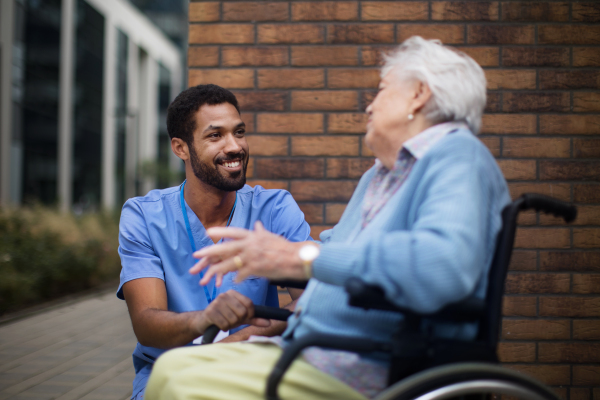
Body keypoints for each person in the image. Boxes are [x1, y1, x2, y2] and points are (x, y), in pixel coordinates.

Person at [145, 36, 511, 400]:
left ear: (418, 95)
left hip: (368, 365)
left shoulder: (458, 156)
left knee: (180, 383)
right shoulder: (380, 175)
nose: (369, 106)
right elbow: (335, 252)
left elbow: (442, 268)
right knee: (170, 368)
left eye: (381, 91)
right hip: (310, 349)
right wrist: (272, 265)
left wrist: (301, 257)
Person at [117, 84, 310, 399]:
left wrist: (242, 340)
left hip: (257, 364)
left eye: (239, 132)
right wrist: (204, 319)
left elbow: (312, 302)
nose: (235, 147)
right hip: (173, 372)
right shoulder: (144, 217)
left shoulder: (274, 209)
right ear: (180, 148)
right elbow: (146, 323)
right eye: (215, 135)